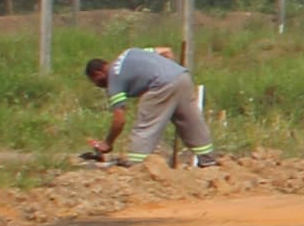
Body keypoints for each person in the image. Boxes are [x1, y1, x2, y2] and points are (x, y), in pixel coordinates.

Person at [82, 44, 220, 167]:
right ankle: (208, 162)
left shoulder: (114, 79)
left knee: (145, 126)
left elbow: (119, 120)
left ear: (98, 73)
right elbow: (166, 51)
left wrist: (107, 143)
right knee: (192, 123)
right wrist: (167, 73)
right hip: (181, 76)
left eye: (96, 82)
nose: (99, 86)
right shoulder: (130, 52)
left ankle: (136, 165)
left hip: (161, 85)